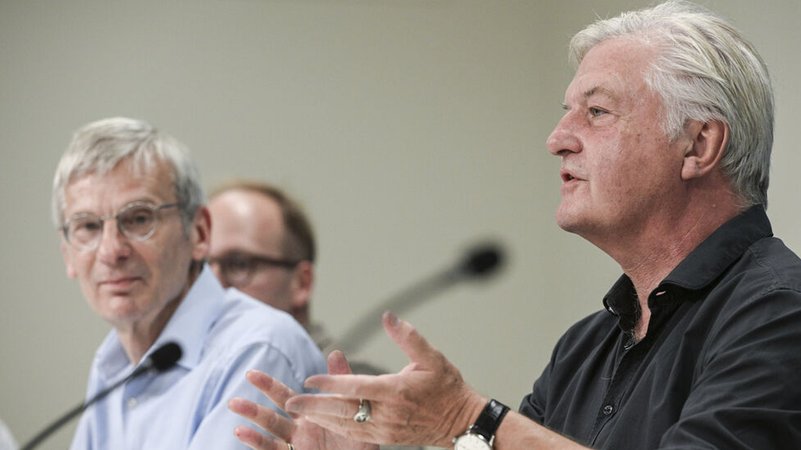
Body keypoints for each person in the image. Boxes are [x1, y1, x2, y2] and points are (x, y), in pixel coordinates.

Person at [226, 1, 801, 449]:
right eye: (567, 111)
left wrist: (466, 419)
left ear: (699, 145)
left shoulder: (779, 313)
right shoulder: (585, 346)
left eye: (597, 112)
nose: (557, 139)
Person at [53, 117, 327, 449]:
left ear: (198, 233)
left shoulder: (258, 348)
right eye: (88, 227)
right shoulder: (112, 363)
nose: (112, 251)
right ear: (68, 254)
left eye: (139, 219)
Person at [208, 181, 423, 450]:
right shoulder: (180, 384)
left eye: (239, 264)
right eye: (200, 268)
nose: (213, 286)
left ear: (301, 283)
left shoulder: (365, 394)